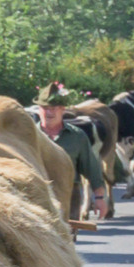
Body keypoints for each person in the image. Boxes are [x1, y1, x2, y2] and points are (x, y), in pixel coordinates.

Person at [37, 84, 111, 224]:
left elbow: (92, 168)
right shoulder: (28, 136)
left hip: (69, 194)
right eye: (45, 108)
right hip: (36, 195)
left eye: (53, 108)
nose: (49, 113)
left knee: (68, 241)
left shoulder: (77, 136)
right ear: (39, 110)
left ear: (62, 110)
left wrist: (100, 198)